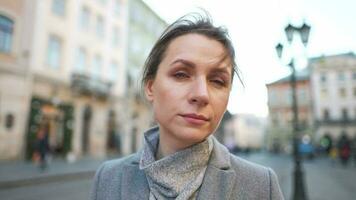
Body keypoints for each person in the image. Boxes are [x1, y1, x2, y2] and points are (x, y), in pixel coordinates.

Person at [91, 13, 284, 200]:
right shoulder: (108, 177)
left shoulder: (261, 186)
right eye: (181, 74)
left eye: (217, 81)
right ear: (150, 87)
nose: (201, 94)